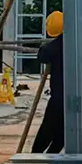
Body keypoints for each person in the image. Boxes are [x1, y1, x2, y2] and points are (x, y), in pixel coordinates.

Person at [31, 11, 64, 153]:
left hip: (58, 99)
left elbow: (42, 55)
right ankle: (52, 157)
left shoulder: (55, 47)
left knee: (47, 130)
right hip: (75, 98)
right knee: (64, 134)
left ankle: (36, 156)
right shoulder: (76, 43)